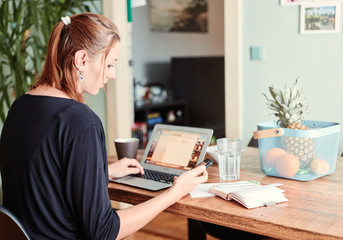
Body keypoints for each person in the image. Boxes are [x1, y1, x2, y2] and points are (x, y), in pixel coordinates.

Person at [0, 13, 208, 240]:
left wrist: (102, 172)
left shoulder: (20, 107)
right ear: (81, 60)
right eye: (109, 64)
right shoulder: (81, 122)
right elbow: (104, 231)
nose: (113, 74)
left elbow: (43, 180)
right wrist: (175, 192)